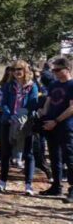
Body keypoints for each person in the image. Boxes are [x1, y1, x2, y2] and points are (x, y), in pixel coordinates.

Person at [0, 60, 39, 195]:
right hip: (8, 122)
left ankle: (28, 185)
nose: (16, 72)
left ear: (25, 70)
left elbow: (33, 104)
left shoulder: (32, 86)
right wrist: (10, 115)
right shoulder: (9, 86)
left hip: (25, 124)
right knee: (5, 152)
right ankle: (2, 182)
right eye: (14, 70)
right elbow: (3, 103)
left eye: (19, 69)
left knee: (28, 153)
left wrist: (21, 115)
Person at [40, 57, 73, 201]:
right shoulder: (53, 84)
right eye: (53, 70)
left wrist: (56, 120)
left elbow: (72, 107)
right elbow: (48, 101)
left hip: (66, 126)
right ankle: (56, 186)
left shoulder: (72, 84)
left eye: (58, 70)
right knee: (54, 157)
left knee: (69, 157)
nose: (55, 72)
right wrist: (44, 113)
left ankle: (72, 189)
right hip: (50, 125)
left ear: (67, 69)